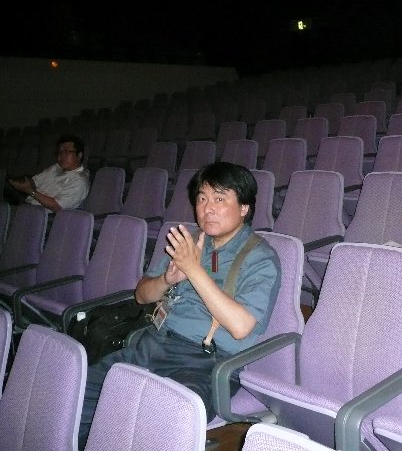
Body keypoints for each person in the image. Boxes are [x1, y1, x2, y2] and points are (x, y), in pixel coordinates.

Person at [78, 162, 281, 448]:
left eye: (219, 199)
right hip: (152, 343)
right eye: (202, 198)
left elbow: (240, 327)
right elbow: (142, 296)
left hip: (203, 362)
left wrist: (193, 270)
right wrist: (168, 278)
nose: (207, 208)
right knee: (78, 395)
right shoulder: (189, 241)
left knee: (153, 425)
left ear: (244, 208)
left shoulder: (260, 258)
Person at [5, 133, 90, 212]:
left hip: (42, 216)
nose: (61, 155)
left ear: (79, 155)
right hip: (27, 205)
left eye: (67, 151)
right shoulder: (57, 167)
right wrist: (17, 183)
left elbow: (56, 206)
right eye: (60, 152)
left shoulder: (80, 181)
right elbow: (35, 181)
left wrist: (30, 191)